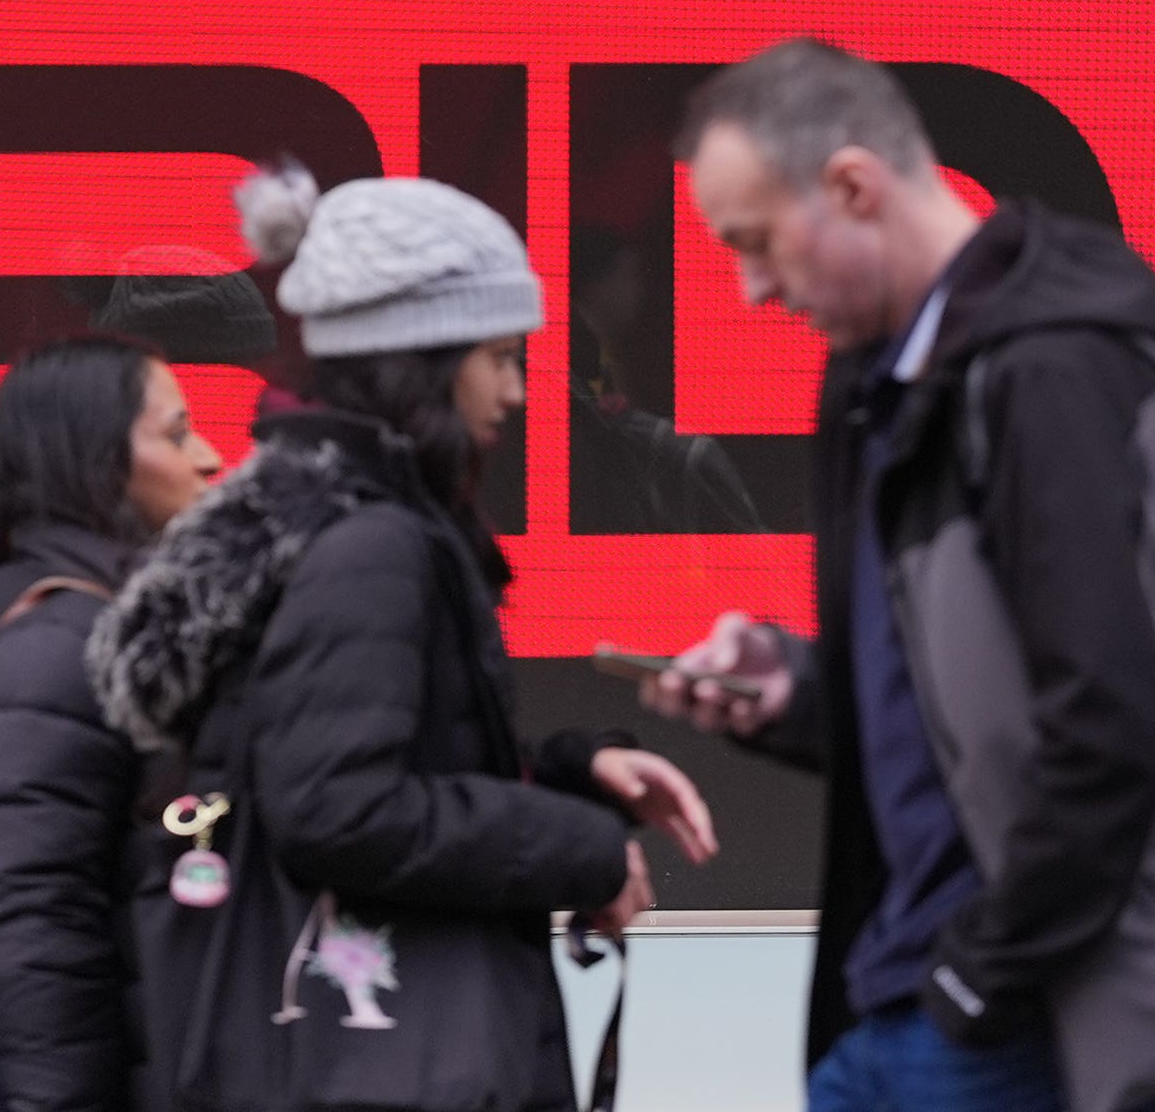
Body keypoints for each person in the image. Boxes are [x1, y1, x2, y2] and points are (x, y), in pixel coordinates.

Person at [635, 40, 1155, 1112]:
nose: (752, 289)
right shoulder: (885, 375)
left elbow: (1113, 718)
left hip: (1028, 1017)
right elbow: (956, 711)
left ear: (853, 184)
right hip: (922, 1004)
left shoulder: (1051, 367)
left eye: (757, 243)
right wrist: (796, 688)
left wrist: (982, 977)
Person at [92, 168, 717, 1112]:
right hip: (388, 1061)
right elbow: (339, 807)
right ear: (422, 359)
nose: (516, 390)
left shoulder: (331, 519)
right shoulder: (375, 544)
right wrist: (579, 847)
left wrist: (569, 772)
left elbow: (363, 761)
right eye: (498, 357)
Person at [0, 335, 222, 1112]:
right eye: (174, 433)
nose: (208, 456)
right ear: (94, 457)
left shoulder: (53, 605)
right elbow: (32, 920)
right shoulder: (53, 632)